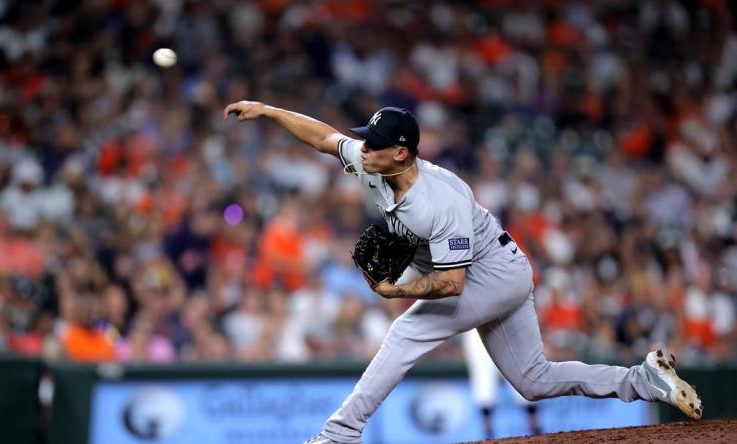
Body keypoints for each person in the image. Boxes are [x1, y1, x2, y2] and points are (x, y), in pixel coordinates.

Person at [222, 101, 703, 444]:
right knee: (533, 380)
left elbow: (453, 285)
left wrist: (397, 289)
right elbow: (326, 138)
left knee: (406, 331)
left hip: (491, 273)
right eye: (366, 140)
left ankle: (339, 434)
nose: (363, 149)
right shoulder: (375, 163)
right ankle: (644, 381)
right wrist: (268, 111)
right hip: (500, 268)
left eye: (375, 145)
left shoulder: (439, 202)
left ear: (402, 153)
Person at [462, 328, 540, 439]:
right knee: (484, 385)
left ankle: (536, 430)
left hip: (505, 325)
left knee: (520, 378)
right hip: (477, 328)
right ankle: (488, 435)